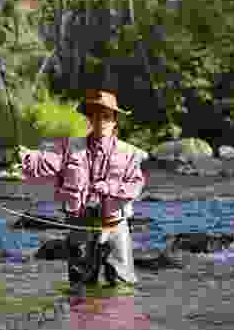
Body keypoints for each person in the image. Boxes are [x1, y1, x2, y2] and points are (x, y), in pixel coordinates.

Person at [14, 88, 146, 291]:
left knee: (123, 287)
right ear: (89, 119)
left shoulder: (129, 153)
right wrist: (25, 158)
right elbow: (44, 163)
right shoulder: (69, 147)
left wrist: (110, 187)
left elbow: (135, 186)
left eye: (106, 117)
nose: (101, 121)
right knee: (79, 288)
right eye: (96, 116)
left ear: (115, 121)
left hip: (114, 225)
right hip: (80, 224)